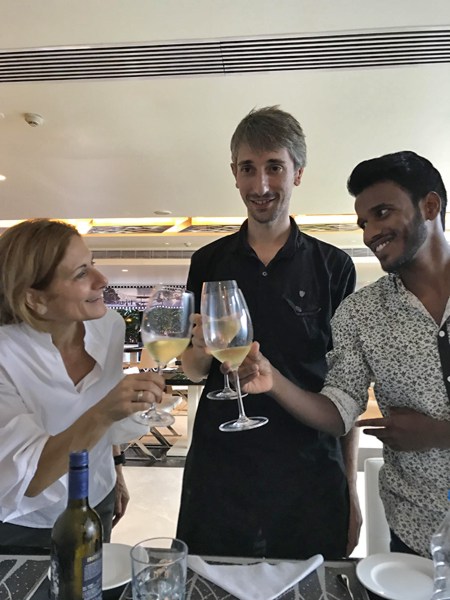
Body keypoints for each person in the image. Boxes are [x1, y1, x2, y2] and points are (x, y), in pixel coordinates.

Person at [236, 150, 450, 558]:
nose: (371, 234)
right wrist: (273, 380)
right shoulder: (361, 313)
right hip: (415, 537)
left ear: (430, 206)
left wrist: (439, 434)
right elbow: (339, 411)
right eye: (364, 223)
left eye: (382, 213)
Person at [177, 106, 360, 560]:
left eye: (274, 167)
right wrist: (200, 349)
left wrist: (350, 489)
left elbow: (347, 390)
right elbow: (194, 370)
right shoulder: (208, 261)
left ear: (298, 173)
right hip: (219, 474)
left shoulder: (334, 266)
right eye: (248, 168)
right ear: (234, 174)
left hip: (310, 476)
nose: (260, 186)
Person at [0, 218, 165, 547]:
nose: (102, 280)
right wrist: (103, 412)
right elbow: (29, 479)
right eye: (80, 273)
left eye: (93, 264)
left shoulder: (109, 325)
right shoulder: (6, 355)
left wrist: (116, 469)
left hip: (97, 495)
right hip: (26, 521)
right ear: (35, 299)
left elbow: (108, 415)